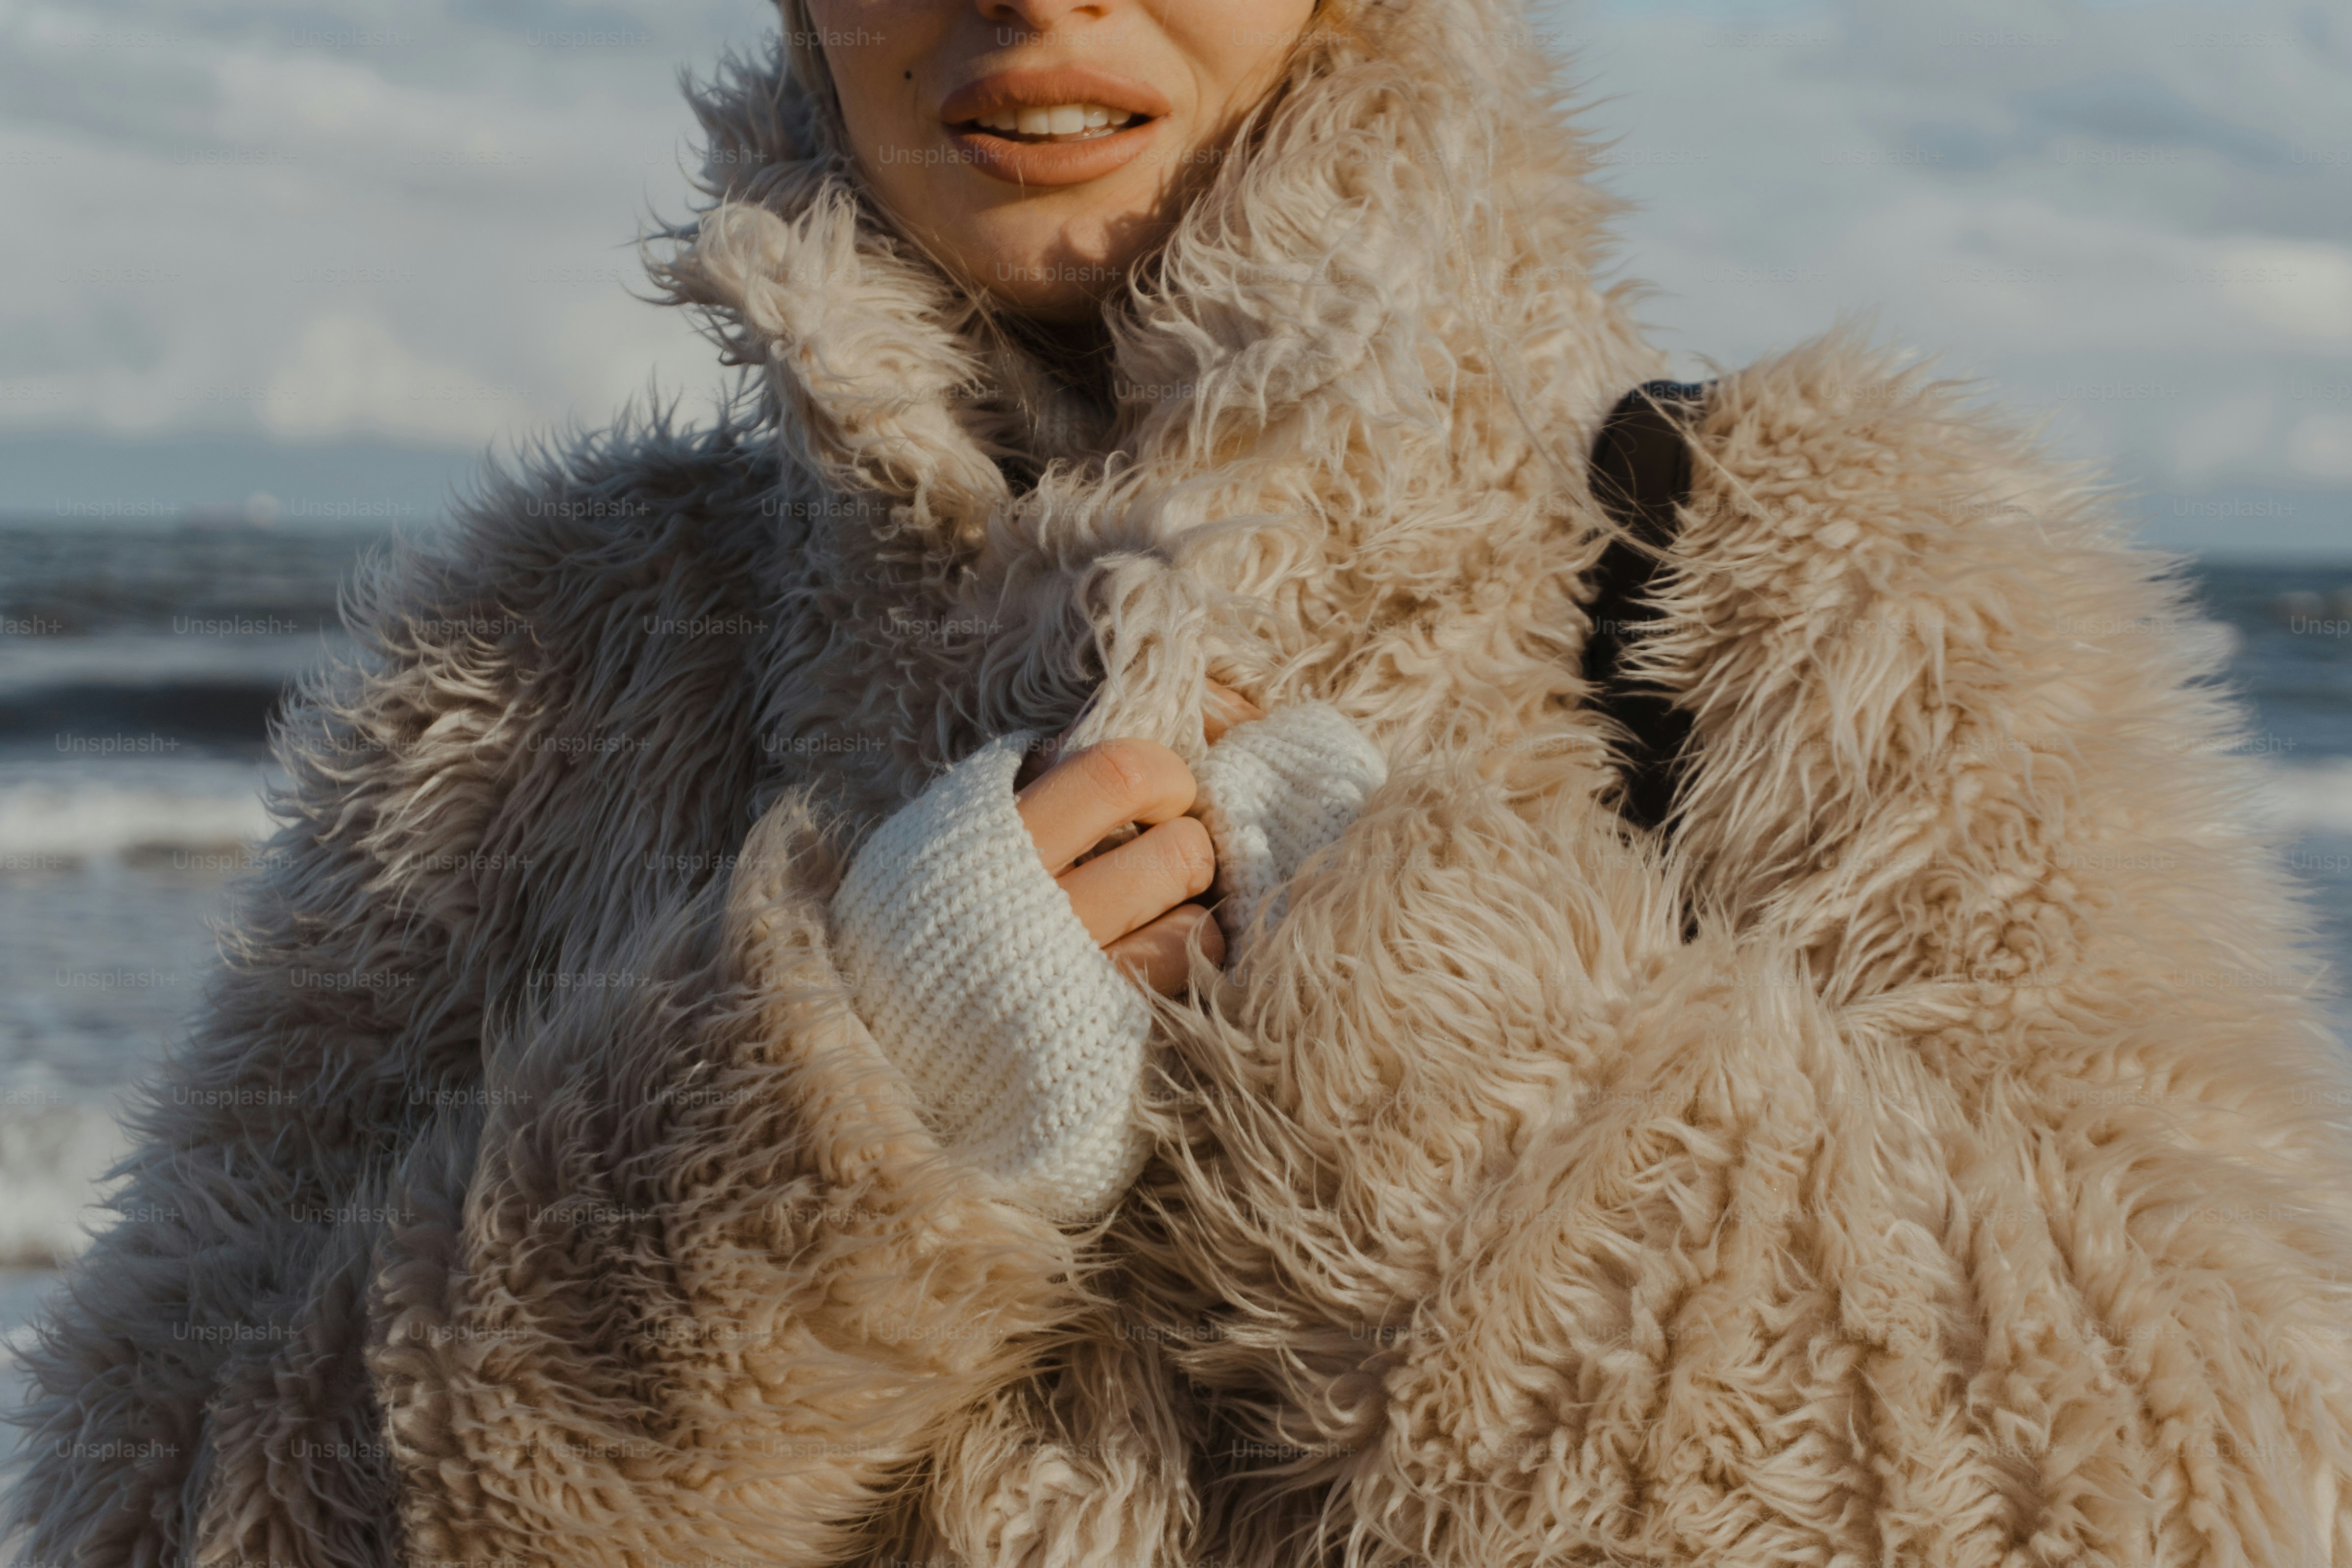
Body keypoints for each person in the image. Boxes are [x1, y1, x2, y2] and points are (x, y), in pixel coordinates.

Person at [14, 0, 2352, 1563]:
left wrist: (1440, 1086)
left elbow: (2240, 1485)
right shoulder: (561, 653)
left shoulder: (1820, 577)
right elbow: (145, 1510)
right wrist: (790, 1153)